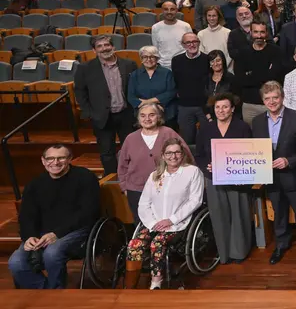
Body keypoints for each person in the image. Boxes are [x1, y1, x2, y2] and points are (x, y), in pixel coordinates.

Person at [10, 145, 99, 289]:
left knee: (52, 253)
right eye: (50, 158)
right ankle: (47, 292)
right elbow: (27, 216)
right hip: (42, 234)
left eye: (61, 158)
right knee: (16, 262)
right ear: (43, 161)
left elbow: (88, 212)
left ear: (69, 159)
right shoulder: (35, 184)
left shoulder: (85, 177)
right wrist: (29, 237)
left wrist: (57, 234)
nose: (55, 162)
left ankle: (55, 293)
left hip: (76, 230)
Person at [249, 82, 296, 266]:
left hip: (294, 176)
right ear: (263, 101)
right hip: (271, 178)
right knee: (279, 214)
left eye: (275, 97)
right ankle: (281, 245)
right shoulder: (257, 121)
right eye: (267, 99)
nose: (272, 102)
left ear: (282, 97)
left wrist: (289, 161)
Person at [124, 138, 203, 290]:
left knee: (157, 243)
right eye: (169, 153)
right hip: (153, 222)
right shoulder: (155, 175)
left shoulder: (192, 172)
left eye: (177, 152)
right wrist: (152, 223)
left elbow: (195, 201)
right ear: (163, 155)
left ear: (183, 154)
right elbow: (144, 203)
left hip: (177, 224)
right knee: (134, 244)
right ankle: (130, 285)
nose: (173, 156)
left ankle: (156, 282)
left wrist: (171, 220)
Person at [195, 93, 253, 264]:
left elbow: (249, 152)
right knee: (219, 215)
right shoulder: (206, 128)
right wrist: (208, 166)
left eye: (225, 107)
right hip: (214, 178)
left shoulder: (242, 127)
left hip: (237, 179)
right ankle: (224, 253)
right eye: (218, 107)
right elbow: (199, 155)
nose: (221, 110)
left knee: (238, 213)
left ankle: (239, 252)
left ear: (232, 109)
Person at [74, 35, 137, 175]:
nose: (104, 48)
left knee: (131, 149)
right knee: (107, 152)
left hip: (126, 115)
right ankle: (112, 179)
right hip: (101, 117)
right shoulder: (85, 68)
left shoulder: (129, 64)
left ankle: (132, 177)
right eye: (100, 46)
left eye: (107, 45)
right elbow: (79, 92)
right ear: (94, 50)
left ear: (113, 47)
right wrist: (89, 113)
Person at [118, 103, 191, 222]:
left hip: (167, 189)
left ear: (158, 117)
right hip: (136, 190)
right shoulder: (130, 138)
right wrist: (124, 187)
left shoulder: (168, 133)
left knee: (163, 225)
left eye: (151, 115)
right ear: (138, 118)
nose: (147, 119)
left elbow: (186, 156)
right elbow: (122, 166)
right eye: (143, 116)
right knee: (141, 225)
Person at [233, 19, 284, 128]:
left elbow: (275, 78)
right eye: (256, 32)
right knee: (251, 138)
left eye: (262, 32)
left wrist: (250, 74)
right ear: (251, 33)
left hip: (271, 104)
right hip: (249, 105)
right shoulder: (243, 53)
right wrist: (265, 75)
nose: (259, 35)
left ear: (266, 33)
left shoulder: (276, 52)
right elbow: (240, 79)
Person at [172, 33, 210, 146]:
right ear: (183, 45)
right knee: (186, 141)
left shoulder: (207, 59)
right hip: (184, 106)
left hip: (204, 107)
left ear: (199, 43)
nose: (192, 45)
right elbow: (176, 81)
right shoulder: (176, 60)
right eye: (188, 42)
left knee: (206, 140)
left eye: (195, 41)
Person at [127, 46, 177, 125]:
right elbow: (131, 96)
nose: (148, 60)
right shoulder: (135, 75)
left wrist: (148, 102)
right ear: (141, 59)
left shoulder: (167, 73)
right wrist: (147, 108)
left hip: (165, 114)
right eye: (145, 57)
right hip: (143, 116)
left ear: (157, 58)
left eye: (152, 57)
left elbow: (171, 92)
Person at [151, 1, 192, 69]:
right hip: (163, 66)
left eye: (172, 9)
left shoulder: (186, 26)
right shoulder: (155, 27)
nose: (169, 12)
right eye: (166, 9)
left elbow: (190, 46)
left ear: (176, 10)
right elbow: (156, 48)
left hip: (183, 65)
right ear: (162, 11)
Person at [198, 6, 233, 72]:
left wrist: (223, 67)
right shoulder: (201, 34)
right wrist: (212, 68)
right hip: (209, 71)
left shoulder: (227, 32)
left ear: (218, 17)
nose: (211, 18)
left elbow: (230, 53)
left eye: (214, 16)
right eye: (209, 15)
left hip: (227, 70)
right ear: (206, 17)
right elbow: (202, 54)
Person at [203, 50, 233, 120]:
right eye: (212, 61)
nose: (215, 64)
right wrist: (209, 118)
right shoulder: (206, 79)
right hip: (209, 117)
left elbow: (236, 100)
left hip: (227, 117)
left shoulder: (231, 78)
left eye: (218, 60)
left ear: (223, 61)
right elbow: (203, 100)